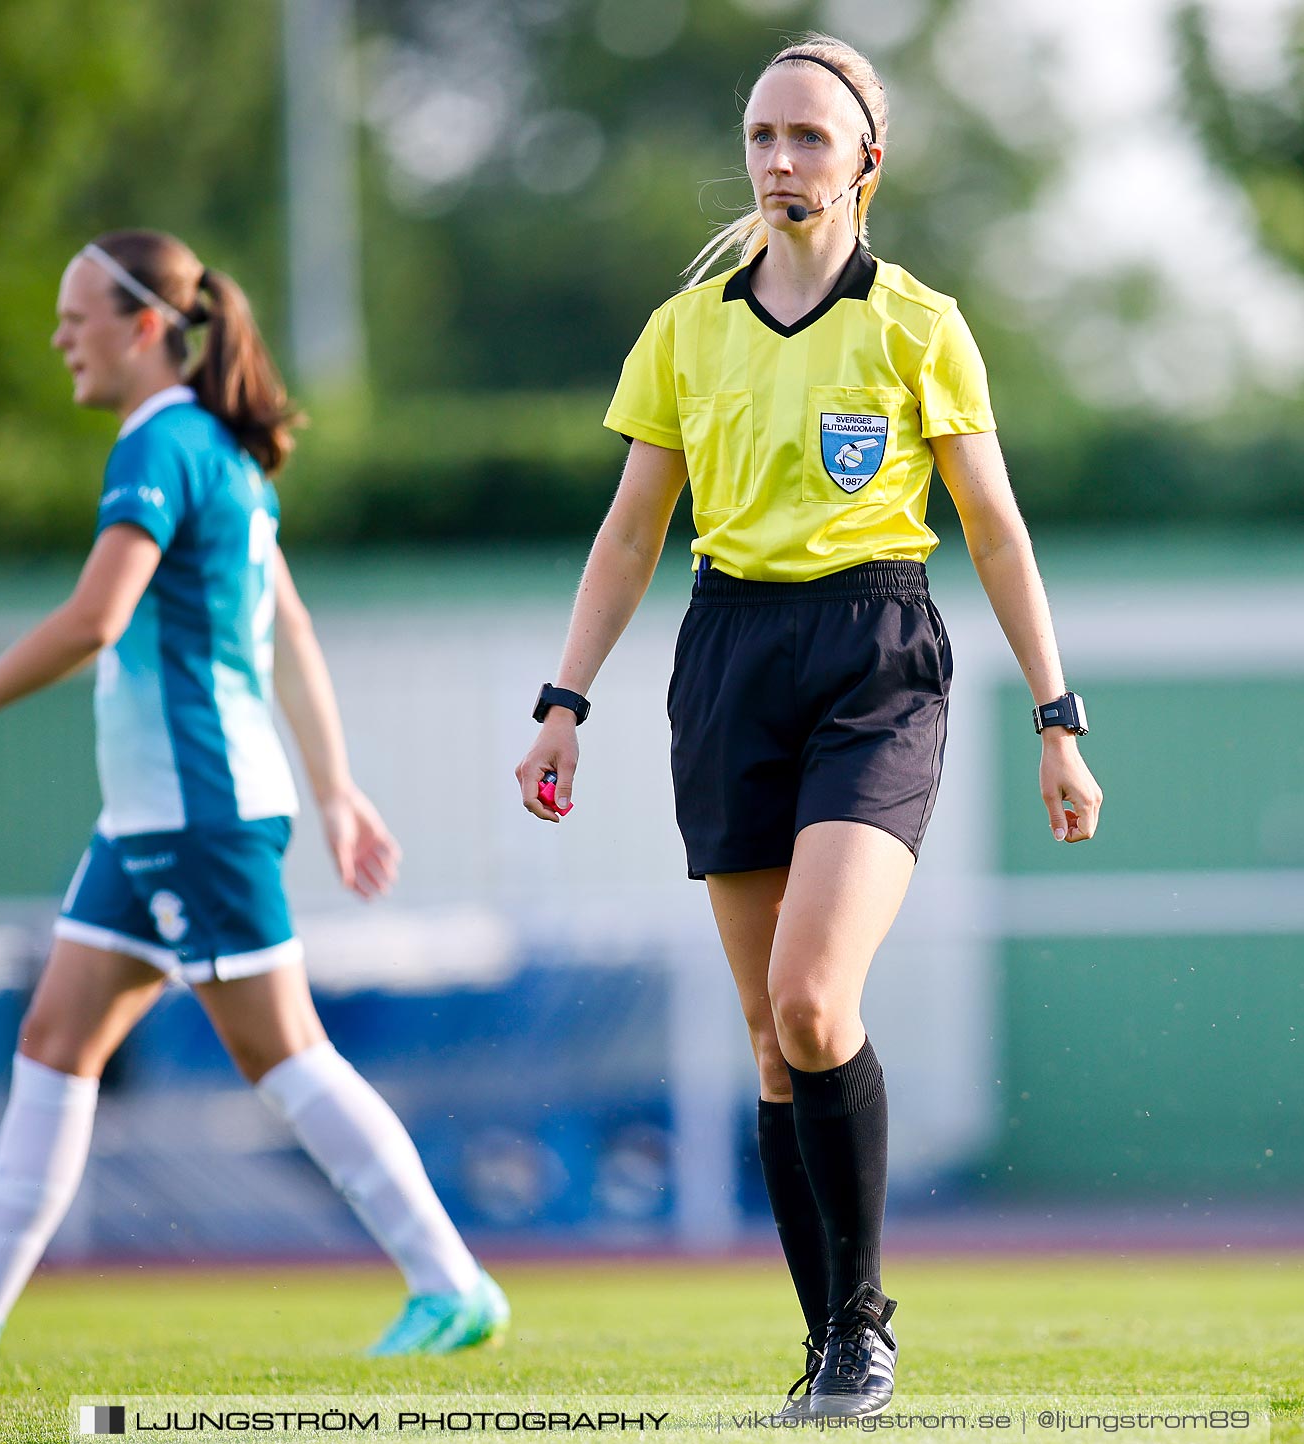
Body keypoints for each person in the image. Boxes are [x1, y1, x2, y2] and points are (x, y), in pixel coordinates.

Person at [515, 36, 1102, 1420]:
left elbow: (999, 535)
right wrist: (563, 702)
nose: (782, 160)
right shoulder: (686, 329)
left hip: (875, 655)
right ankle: (832, 1346)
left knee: (813, 1000)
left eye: (810, 138)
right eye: (763, 137)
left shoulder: (919, 323)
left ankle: (865, 1327)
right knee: (772, 1043)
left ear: (867, 161)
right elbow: (630, 536)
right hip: (729, 658)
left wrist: (1058, 719)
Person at [0, 230, 507, 1362]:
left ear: (143, 327)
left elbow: (97, 618)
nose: (59, 339)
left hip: (200, 808)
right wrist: (333, 791)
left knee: (283, 1053)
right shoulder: (219, 451)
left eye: (75, 317)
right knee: (53, 1035)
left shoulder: (167, 444)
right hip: (153, 813)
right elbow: (287, 630)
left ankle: (453, 1280)